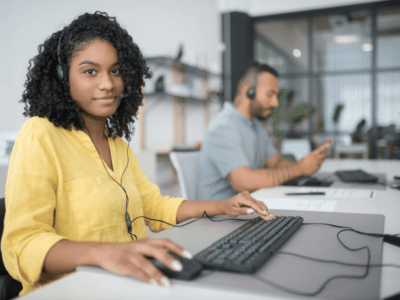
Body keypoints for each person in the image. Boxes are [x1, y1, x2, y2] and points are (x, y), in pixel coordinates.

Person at [1, 12, 274, 296]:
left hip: (126, 285)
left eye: (116, 70)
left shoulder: (117, 144)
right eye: (90, 71)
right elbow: (22, 244)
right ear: (62, 77)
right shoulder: (40, 134)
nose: (107, 83)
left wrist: (220, 206)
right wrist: (107, 253)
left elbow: (153, 207)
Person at [196, 61, 332, 200]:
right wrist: (299, 170)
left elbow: (276, 163)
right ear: (249, 91)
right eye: (270, 94)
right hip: (220, 218)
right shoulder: (223, 127)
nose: (275, 103)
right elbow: (245, 182)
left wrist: (307, 163)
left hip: (250, 207)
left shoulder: (254, 125)